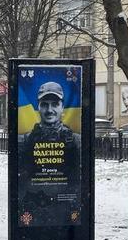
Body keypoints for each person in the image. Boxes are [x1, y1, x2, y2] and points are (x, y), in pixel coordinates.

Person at [17, 81, 82, 224]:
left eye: (55, 104)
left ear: (62, 107)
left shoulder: (77, 142)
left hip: (65, 209)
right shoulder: (25, 141)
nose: (49, 110)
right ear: (38, 107)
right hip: (34, 208)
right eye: (45, 104)